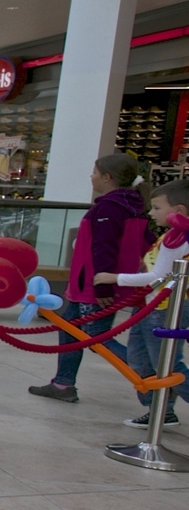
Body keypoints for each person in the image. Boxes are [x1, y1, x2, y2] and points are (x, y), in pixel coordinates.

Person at [29, 152, 148, 403]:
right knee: (70, 329)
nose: (91, 177)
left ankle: (151, 374)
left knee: (96, 339)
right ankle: (63, 383)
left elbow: (104, 248)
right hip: (90, 284)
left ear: (107, 177)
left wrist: (103, 287)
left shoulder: (110, 208)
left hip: (94, 287)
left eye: (95, 172)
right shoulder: (133, 207)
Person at [99, 179, 189, 427]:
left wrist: (115, 278)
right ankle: (160, 410)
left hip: (164, 308)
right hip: (151, 306)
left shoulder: (177, 238)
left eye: (157, 208)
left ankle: (161, 410)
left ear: (179, 210)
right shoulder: (172, 236)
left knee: (167, 364)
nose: (151, 213)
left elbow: (158, 276)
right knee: (139, 358)